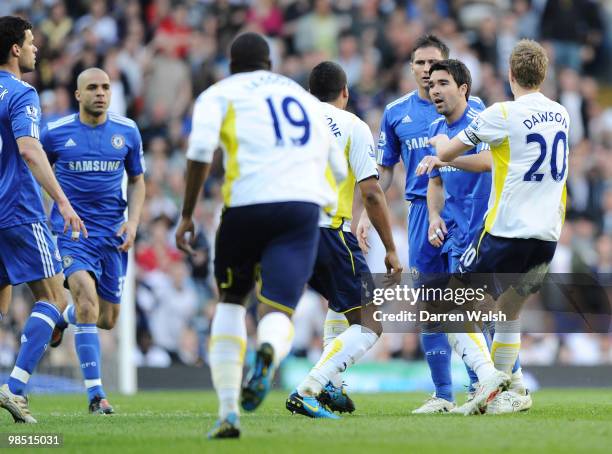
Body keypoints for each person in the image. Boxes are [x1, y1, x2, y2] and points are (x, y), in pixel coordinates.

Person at [175, 32, 347, 439]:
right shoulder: (303, 98)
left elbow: (199, 154)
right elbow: (338, 170)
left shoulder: (219, 93)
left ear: (230, 65)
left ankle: (229, 412)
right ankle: (269, 351)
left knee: (232, 303)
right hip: (301, 210)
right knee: (278, 312)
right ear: (270, 64)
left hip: (246, 205)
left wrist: (186, 214)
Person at [430, 39, 570, 415]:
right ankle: (503, 395)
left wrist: (440, 143)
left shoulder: (502, 113)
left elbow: (447, 153)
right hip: (546, 237)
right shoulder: (562, 114)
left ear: (510, 75)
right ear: (544, 74)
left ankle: (488, 375)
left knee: (448, 306)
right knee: (509, 311)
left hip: (507, 231)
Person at [357, 35, 481, 413]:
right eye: (420, 64)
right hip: (418, 210)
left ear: (447, 67)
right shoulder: (396, 113)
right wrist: (366, 211)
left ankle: (483, 385)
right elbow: (385, 171)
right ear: (411, 68)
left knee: (472, 302)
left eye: (434, 64)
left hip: (464, 210)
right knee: (430, 305)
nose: (427, 71)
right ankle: (444, 394)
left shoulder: (474, 109)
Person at [285, 61, 402, 419]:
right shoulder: (353, 125)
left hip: (285, 230)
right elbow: (371, 192)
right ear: (346, 93)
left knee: (341, 304)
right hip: (326, 230)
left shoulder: (291, 122)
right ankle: (309, 387)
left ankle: (331, 383)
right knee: (370, 323)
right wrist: (392, 248)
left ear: (308, 92)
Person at [41, 67, 146, 415]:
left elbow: (137, 180)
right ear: (78, 95)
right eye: (92, 87)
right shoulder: (55, 133)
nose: (100, 93)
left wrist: (133, 222)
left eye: (105, 87)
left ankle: (62, 317)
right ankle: (96, 395)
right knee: (87, 299)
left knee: (106, 318)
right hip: (73, 235)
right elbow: (34, 170)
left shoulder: (127, 131)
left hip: (113, 236)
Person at [0, 16, 87, 424]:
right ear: (16, 49)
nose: (36, 49)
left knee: (2, 304)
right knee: (55, 298)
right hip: (17, 209)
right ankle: (14, 389)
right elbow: (31, 150)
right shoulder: (21, 93)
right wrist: (63, 202)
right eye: (31, 43)